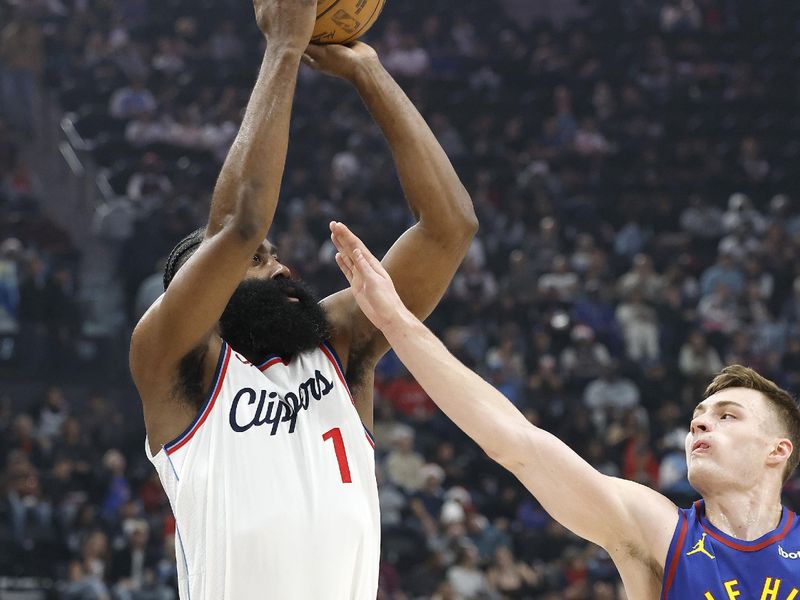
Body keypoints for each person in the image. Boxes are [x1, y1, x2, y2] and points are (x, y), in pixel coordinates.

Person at [128, 0, 477, 597]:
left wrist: (370, 73)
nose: (282, 266)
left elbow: (451, 227)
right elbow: (238, 225)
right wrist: (283, 47)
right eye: (258, 263)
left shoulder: (336, 345)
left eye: (273, 255)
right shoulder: (171, 363)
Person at [329, 221, 800, 599]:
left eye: (728, 415)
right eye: (701, 412)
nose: (699, 421)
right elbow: (517, 443)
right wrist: (395, 319)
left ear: (777, 450)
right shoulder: (660, 529)